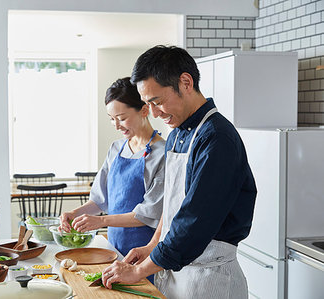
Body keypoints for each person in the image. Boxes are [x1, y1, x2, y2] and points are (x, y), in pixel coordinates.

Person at [101, 46, 257, 299]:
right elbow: (173, 204)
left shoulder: (217, 139)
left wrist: (140, 270)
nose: (153, 113)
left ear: (185, 82)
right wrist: (152, 246)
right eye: (147, 104)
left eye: (157, 101)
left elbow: (194, 222)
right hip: (176, 273)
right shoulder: (176, 135)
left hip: (209, 279)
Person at [59, 77, 166, 276]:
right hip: (113, 249)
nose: (116, 126)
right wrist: (73, 214)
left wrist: (100, 222)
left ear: (144, 110)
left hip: (143, 256)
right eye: (111, 118)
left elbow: (147, 214)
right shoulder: (116, 148)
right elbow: (100, 200)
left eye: (122, 118)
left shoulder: (163, 154)